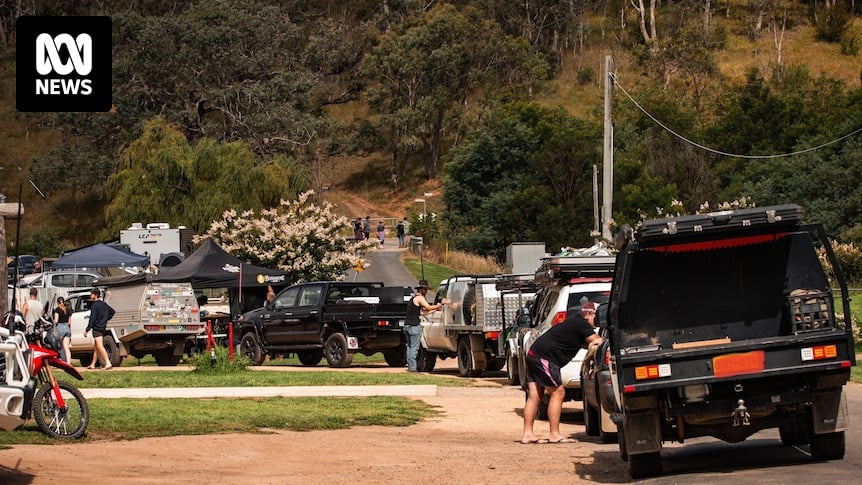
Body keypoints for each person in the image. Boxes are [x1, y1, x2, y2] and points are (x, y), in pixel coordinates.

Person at [521, 301, 601, 444]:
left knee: (534, 396)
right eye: (597, 315)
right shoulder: (581, 324)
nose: (599, 320)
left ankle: (528, 435)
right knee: (558, 393)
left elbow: (580, 342)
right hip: (544, 358)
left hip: (534, 354)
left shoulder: (575, 323)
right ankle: (554, 434)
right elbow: (598, 342)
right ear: (589, 314)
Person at [404, 280, 445, 372]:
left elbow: (422, 312)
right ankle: (412, 369)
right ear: (421, 289)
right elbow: (428, 307)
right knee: (414, 348)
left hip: (407, 325)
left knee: (410, 347)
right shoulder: (420, 298)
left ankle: (410, 366)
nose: (426, 291)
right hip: (414, 326)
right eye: (425, 289)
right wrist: (440, 304)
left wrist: (434, 310)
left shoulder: (413, 298)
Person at [84, 288, 116, 370]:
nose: (90, 295)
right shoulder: (104, 304)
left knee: (100, 346)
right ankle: (93, 364)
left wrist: (87, 329)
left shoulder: (94, 305)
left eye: (91, 294)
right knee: (96, 347)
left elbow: (92, 318)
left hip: (97, 328)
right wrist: (105, 319)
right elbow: (112, 312)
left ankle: (108, 363)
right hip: (102, 327)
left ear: (95, 295)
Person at [52, 296, 72, 363]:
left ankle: (62, 360)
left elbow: (56, 320)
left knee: (60, 347)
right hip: (67, 327)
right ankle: (68, 362)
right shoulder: (68, 310)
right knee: (66, 347)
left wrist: (52, 322)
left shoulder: (57, 310)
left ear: (57, 302)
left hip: (60, 328)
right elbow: (69, 322)